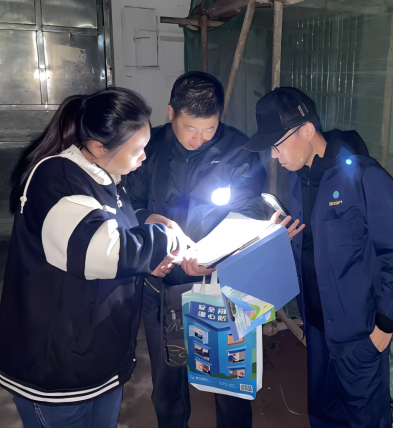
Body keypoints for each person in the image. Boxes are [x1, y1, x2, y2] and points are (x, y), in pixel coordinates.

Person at [0, 88, 205, 428]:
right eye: (136, 150)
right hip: (55, 369)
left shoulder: (106, 175)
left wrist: (147, 235)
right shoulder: (57, 178)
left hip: (98, 358)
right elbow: (102, 251)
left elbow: (115, 235)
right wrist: (165, 238)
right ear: (97, 147)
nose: (144, 157)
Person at [244, 87, 393, 428]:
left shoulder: (364, 178)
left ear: (307, 130)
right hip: (316, 327)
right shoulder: (297, 183)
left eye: (277, 145)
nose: (274, 156)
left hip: (359, 332)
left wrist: (384, 326)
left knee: (364, 419)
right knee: (323, 413)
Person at [127, 72, 297, 428]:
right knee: (168, 378)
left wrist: (217, 256)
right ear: (171, 113)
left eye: (209, 129)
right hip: (163, 282)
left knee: (231, 380)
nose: (198, 138)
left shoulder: (239, 149)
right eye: (190, 128)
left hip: (224, 283)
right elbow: (130, 204)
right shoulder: (148, 148)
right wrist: (148, 224)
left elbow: (249, 210)